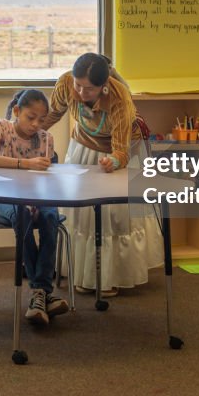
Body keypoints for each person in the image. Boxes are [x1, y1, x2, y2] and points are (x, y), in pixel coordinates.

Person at [41, 53, 162, 295]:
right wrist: (27, 132)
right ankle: (82, 273)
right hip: (83, 146)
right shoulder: (66, 83)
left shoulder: (120, 98)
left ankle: (109, 278)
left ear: (103, 85)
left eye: (89, 89)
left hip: (119, 151)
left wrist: (113, 162)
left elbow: (122, 149)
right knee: (81, 213)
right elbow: (53, 114)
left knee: (112, 216)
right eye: (78, 85)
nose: (81, 93)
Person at [0, 89, 69, 325]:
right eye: (30, 117)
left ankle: (39, 295)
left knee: (51, 217)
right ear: (17, 111)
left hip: (38, 196)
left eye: (41, 120)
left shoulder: (46, 138)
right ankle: (41, 291)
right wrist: (24, 163)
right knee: (22, 217)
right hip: (5, 196)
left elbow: (48, 175)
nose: (35, 124)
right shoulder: (2, 127)